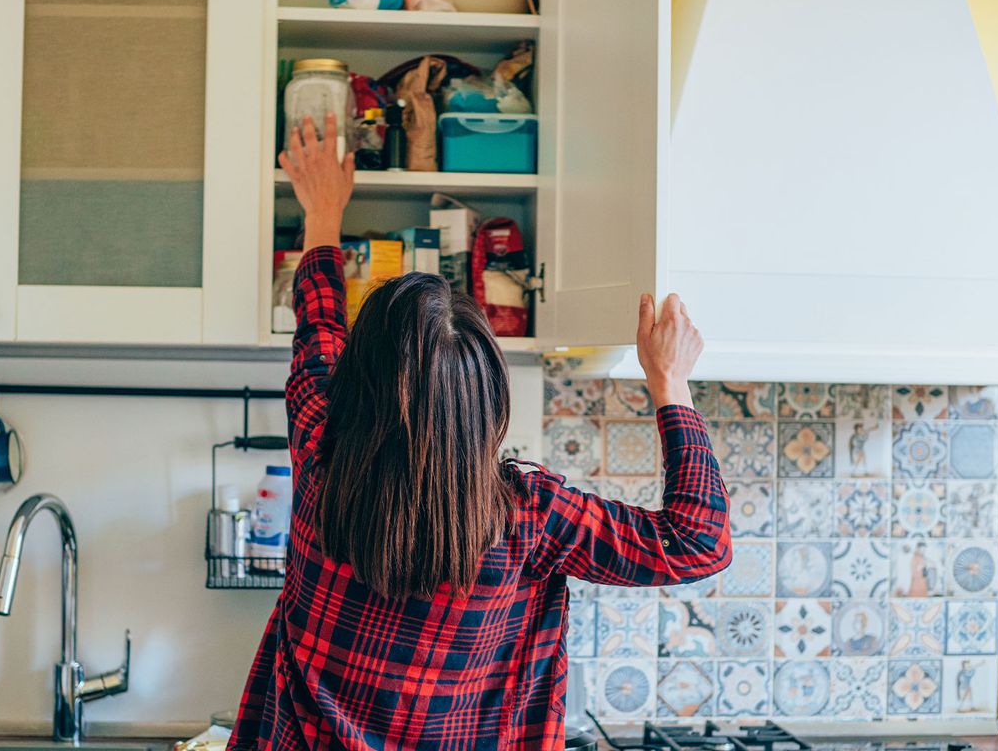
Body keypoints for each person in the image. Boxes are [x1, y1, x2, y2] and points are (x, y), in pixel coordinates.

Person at [228, 114, 731, 750]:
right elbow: (698, 543)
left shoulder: (319, 441)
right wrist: (670, 382)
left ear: (357, 379)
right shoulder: (533, 517)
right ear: (489, 401)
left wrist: (324, 211)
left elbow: (319, 324)